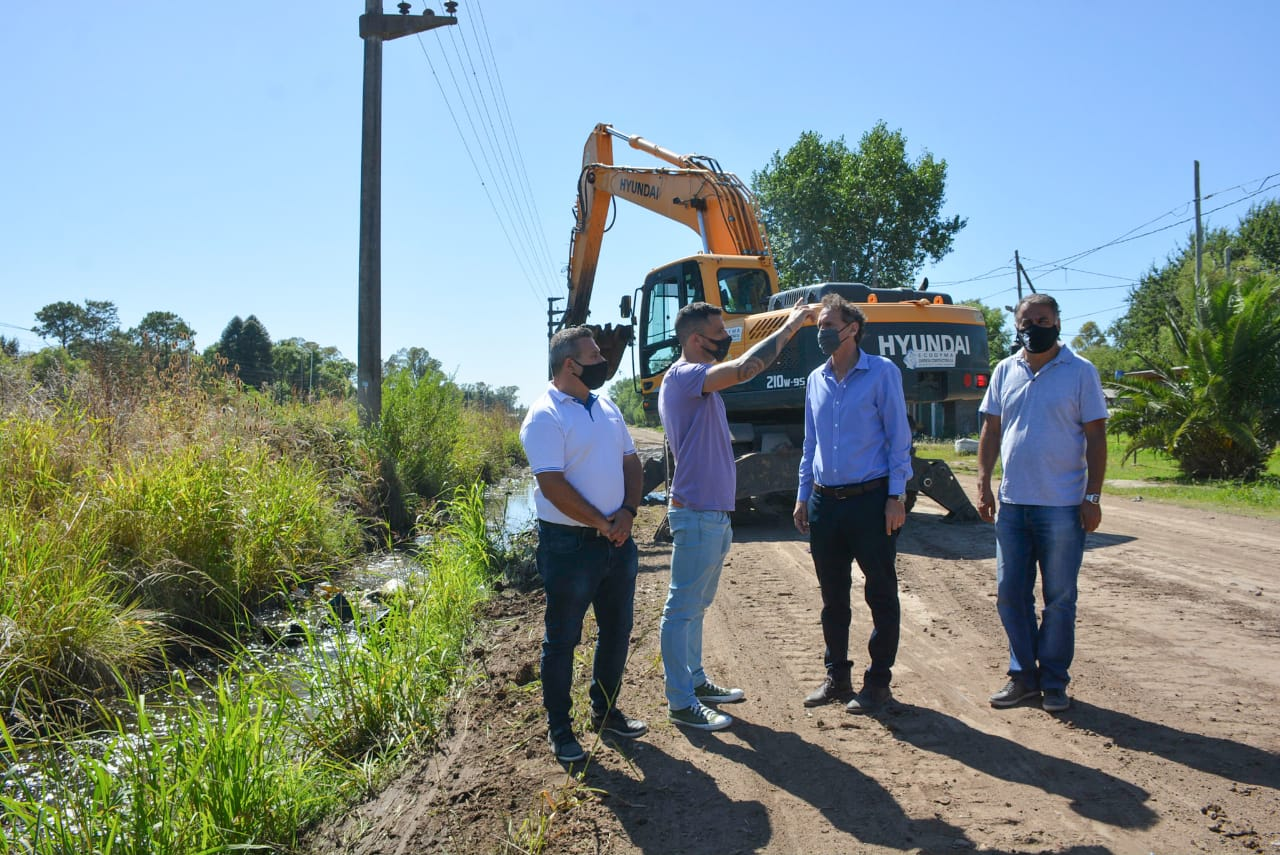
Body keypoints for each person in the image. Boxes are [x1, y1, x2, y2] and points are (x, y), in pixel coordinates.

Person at [659, 297, 815, 731]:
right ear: (696, 340)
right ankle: (680, 702)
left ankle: (695, 681)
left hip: (710, 513)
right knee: (681, 609)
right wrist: (791, 326)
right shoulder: (685, 376)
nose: (727, 339)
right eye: (719, 334)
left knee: (696, 607)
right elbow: (747, 367)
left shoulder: (698, 383)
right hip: (697, 512)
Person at [976, 293, 1109, 714]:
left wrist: (1092, 496)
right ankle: (1023, 678)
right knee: (1010, 596)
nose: (1035, 327)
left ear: (1057, 323)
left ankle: (1054, 681)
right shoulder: (1005, 370)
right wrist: (983, 482)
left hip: (1063, 507)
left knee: (1060, 598)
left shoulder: (1080, 371)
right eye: (1027, 322)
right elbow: (991, 429)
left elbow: (1096, 437)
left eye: (1043, 320)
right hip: (1013, 505)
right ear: (1017, 327)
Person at [520, 326, 646, 763]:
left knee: (617, 630)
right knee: (562, 639)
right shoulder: (545, 415)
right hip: (569, 546)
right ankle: (560, 728)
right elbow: (552, 486)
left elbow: (632, 463)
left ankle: (605, 713)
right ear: (570, 365)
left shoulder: (606, 406)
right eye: (595, 356)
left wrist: (627, 512)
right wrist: (602, 522)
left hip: (617, 541)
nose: (604, 362)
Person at [793, 293, 912, 714]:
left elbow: (899, 439)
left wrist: (896, 496)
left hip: (871, 501)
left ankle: (878, 683)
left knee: (881, 592)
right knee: (833, 598)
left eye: (829, 324)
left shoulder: (882, 373)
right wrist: (803, 495)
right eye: (819, 326)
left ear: (852, 328)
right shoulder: (815, 379)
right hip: (825, 503)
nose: (822, 332)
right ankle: (837, 677)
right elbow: (810, 443)